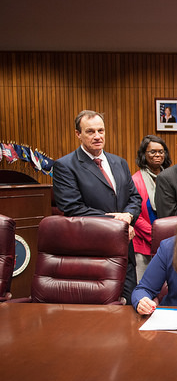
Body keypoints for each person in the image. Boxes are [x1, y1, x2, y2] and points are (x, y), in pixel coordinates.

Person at [53, 110, 141, 303]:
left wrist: (128, 215)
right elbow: (72, 207)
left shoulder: (119, 162)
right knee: (101, 310)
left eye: (101, 130)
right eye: (90, 131)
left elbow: (135, 197)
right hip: (92, 250)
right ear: (78, 134)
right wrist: (116, 221)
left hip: (125, 246)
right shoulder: (65, 166)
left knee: (129, 303)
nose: (97, 136)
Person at [132, 135, 172, 281]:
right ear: (144, 154)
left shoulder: (170, 178)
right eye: (152, 152)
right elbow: (135, 215)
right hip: (144, 245)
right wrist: (155, 236)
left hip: (170, 243)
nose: (157, 155)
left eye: (161, 152)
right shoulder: (135, 180)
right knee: (146, 287)